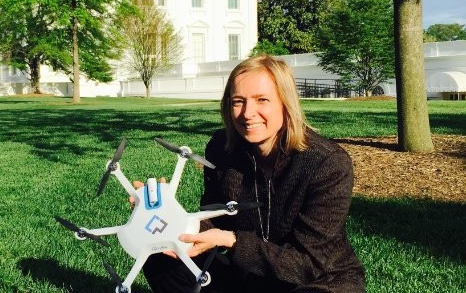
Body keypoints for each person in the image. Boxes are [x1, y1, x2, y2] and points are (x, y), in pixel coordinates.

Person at [142, 55, 366, 292]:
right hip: (248, 272)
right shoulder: (222, 148)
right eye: (238, 101)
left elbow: (308, 264)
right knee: (161, 260)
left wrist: (233, 241)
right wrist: (168, 215)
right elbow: (214, 217)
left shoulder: (327, 163)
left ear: (285, 102)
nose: (248, 113)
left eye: (262, 100)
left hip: (318, 279)